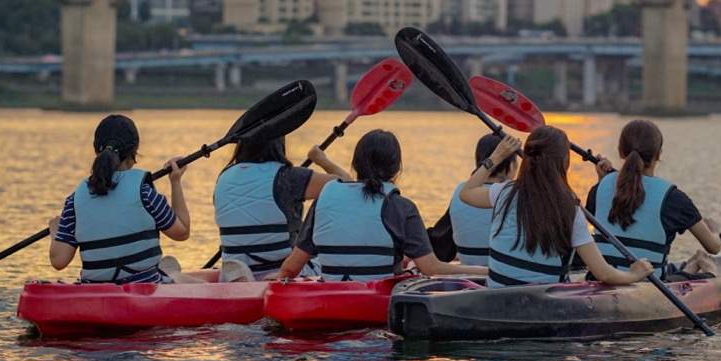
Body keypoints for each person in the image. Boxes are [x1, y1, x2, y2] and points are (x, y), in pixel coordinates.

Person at [278, 129, 489, 283]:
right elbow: (431, 268)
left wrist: (277, 285)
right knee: (412, 266)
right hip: (375, 302)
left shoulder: (326, 196)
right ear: (397, 169)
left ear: (356, 164)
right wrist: (487, 271)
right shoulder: (401, 207)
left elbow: (291, 268)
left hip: (328, 299)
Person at [459, 126, 653, 288]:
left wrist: (495, 158)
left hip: (496, 295)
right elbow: (603, 273)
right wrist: (634, 275)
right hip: (543, 306)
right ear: (565, 162)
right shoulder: (570, 208)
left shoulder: (504, 192)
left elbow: (466, 192)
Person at [49, 114, 191, 284]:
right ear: (134, 153)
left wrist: (56, 233)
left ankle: (169, 270)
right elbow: (182, 232)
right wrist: (175, 182)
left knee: (170, 269)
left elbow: (58, 261)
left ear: (97, 151)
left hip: (96, 292)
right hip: (145, 287)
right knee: (186, 279)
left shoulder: (74, 200)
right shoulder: (144, 193)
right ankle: (170, 272)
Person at [586, 118, 721, 277]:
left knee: (674, 272)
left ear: (621, 152)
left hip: (602, 281)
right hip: (649, 287)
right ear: (658, 154)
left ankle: (695, 263)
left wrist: (602, 182)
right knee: (710, 270)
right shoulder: (674, 199)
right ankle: (706, 266)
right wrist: (715, 230)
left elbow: (601, 220)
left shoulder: (598, 189)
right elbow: (714, 247)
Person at [213, 132, 350, 281]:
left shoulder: (223, 176)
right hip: (281, 274)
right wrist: (321, 160)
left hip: (234, 274)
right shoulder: (289, 177)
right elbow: (348, 187)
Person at [429, 133, 518, 264]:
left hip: (469, 266)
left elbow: (442, 238)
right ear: (510, 165)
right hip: (502, 268)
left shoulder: (460, 190)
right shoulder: (511, 193)